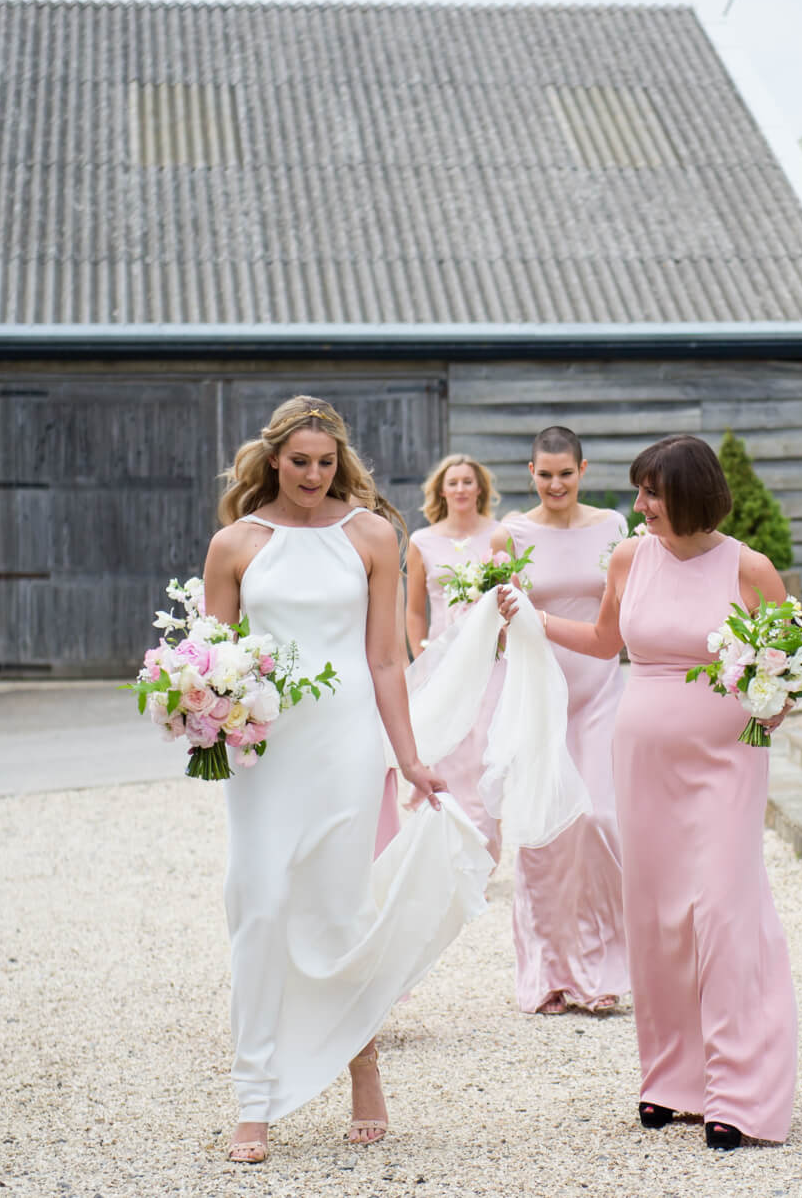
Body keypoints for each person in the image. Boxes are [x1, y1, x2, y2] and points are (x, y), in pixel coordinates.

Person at [199, 397, 487, 1163]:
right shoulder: (234, 543)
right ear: (272, 460)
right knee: (257, 902)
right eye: (300, 462)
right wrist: (198, 716)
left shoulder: (370, 534)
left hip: (347, 742)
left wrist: (411, 757)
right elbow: (210, 658)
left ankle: (361, 1059)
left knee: (338, 904)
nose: (314, 475)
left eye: (326, 463)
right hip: (264, 749)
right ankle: (253, 1094)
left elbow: (386, 658)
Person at [503, 433, 798, 1149]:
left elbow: (786, 674)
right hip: (641, 759)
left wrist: (770, 698)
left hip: (726, 760)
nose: (639, 506)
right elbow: (609, 641)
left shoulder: (750, 568)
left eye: (652, 494)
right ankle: (670, 1080)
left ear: (693, 495)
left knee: (724, 916)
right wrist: (533, 621)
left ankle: (741, 1093)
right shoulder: (631, 555)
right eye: (639, 492)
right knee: (659, 917)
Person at [497, 426, 631, 1015]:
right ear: (530, 472)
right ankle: (548, 973)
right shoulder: (511, 534)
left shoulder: (613, 528)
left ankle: (604, 968)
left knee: (602, 818)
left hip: (602, 690)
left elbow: (628, 606)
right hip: (539, 693)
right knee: (546, 831)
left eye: (565, 473)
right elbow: (496, 623)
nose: (555, 484)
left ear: (584, 469)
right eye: (544, 474)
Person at [403, 454, 509, 860]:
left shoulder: (501, 534)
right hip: (443, 661)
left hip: (492, 661)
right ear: (441, 491)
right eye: (454, 482)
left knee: (487, 754)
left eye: (468, 481)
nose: (462, 489)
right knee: (449, 754)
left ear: (480, 488)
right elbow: (415, 610)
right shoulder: (421, 542)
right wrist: (421, 657)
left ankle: (483, 854)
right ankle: (451, 852)